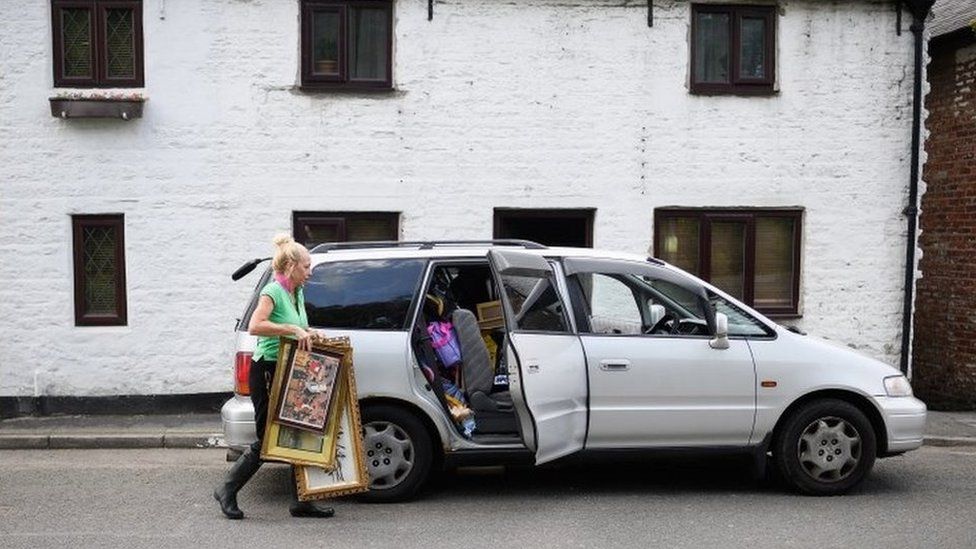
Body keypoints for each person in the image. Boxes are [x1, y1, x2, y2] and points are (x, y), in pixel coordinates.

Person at [214, 234, 335, 519]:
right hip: (267, 370)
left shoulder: (297, 291)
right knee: (269, 436)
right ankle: (227, 489)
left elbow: (295, 325)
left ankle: (301, 501)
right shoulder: (272, 291)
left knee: (297, 429)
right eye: (306, 266)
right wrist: (293, 331)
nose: (310, 271)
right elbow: (257, 326)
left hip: (290, 369)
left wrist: (309, 331)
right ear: (291, 265)